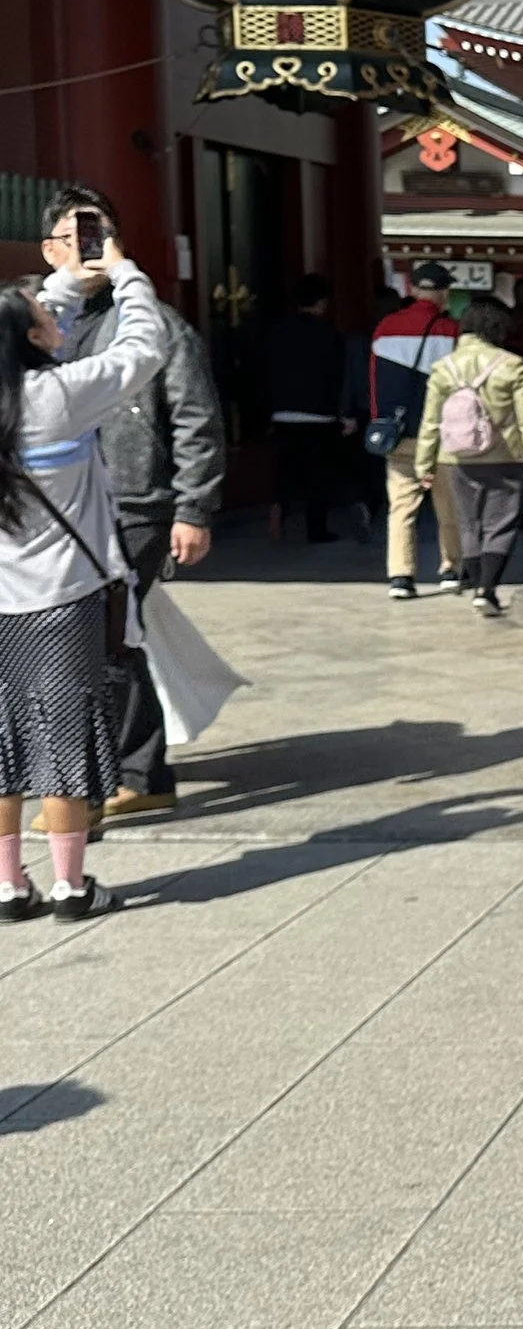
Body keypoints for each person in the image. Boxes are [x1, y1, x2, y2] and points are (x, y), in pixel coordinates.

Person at [0, 242, 175, 919]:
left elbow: (23, 323)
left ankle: (11, 885)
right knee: (61, 738)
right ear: (30, 335)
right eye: (44, 315)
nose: (56, 318)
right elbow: (143, 347)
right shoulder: (59, 396)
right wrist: (127, 274)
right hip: (60, 603)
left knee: (4, 742)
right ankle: (72, 885)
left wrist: (68, 280)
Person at [39, 184, 221, 820]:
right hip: (53, 510)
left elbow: (197, 416)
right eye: (72, 238)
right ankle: (123, 765)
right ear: (48, 248)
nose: (85, 251)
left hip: (136, 503)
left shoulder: (153, 321)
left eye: (97, 237)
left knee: (104, 635)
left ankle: (134, 773)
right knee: (93, 638)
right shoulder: (34, 325)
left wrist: (194, 507)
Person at [411, 293, 523, 618]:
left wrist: (423, 464)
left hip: (456, 458)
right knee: (500, 523)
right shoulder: (512, 365)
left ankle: (473, 584)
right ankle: (487, 589)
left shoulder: (443, 368)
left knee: (469, 523)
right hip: (505, 457)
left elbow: (430, 421)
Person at [370, 259, 467, 601]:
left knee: (401, 506)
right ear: (443, 293)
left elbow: (375, 381)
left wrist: (379, 420)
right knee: (448, 506)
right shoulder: (451, 331)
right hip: (441, 433)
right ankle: (451, 570)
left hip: (398, 431)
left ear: (411, 289)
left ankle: (401, 576)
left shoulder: (386, 327)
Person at [261, 274, 353, 545]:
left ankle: (278, 507)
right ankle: (316, 529)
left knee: (285, 468)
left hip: (282, 411)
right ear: (323, 303)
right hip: (319, 413)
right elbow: (339, 378)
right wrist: (344, 414)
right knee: (317, 475)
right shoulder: (331, 337)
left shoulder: (275, 333)